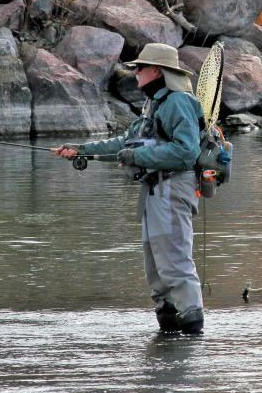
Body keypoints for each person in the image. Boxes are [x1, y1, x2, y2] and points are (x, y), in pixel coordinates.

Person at [54, 42, 205, 335]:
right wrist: (81, 150)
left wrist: (137, 157)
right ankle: (168, 338)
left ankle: (191, 340)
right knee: (156, 271)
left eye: (140, 68)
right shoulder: (155, 104)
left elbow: (187, 152)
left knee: (175, 264)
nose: (135, 73)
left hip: (173, 190)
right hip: (154, 191)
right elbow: (124, 143)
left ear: (157, 71)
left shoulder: (178, 102)